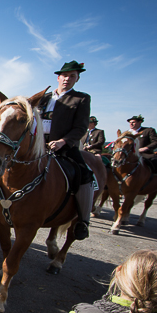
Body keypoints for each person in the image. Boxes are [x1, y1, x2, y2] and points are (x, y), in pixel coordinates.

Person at [36, 60, 93, 240]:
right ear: (58, 77)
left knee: (85, 174)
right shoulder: (44, 97)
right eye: (65, 75)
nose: (68, 79)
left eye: (72, 76)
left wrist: (63, 141)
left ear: (77, 79)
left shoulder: (81, 98)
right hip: (37, 146)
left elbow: (81, 127)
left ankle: (83, 220)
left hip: (63, 148)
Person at [127, 114, 157, 192]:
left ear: (140, 122)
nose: (131, 124)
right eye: (130, 122)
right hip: (129, 155)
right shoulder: (127, 133)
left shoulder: (148, 130)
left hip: (145, 154)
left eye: (133, 122)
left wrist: (145, 148)